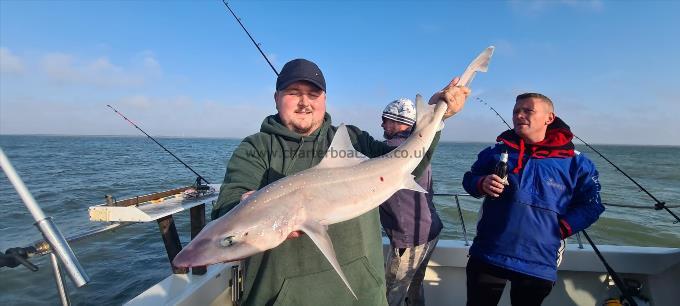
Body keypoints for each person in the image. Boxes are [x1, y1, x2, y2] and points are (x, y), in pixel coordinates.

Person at [211, 58, 470, 306]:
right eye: (293, 92)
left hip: (363, 295)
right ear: (276, 97)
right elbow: (228, 206)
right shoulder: (256, 148)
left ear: (324, 99)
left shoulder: (352, 139)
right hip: (282, 299)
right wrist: (249, 208)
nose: (304, 102)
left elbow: (408, 165)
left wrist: (436, 118)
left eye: (313, 94)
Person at [461, 92, 605, 306]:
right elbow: (469, 179)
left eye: (528, 110)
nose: (519, 115)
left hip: (538, 261)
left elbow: (592, 204)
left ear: (549, 118)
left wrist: (563, 227)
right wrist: (481, 183)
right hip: (489, 253)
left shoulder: (577, 163)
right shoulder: (496, 152)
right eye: (516, 111)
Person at [379, 98, 443, 306]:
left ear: (399, 122)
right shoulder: (420, 148)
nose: (382, 125)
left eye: (386, 120)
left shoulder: (390, 149)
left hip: (408, 237)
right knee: (415, 286)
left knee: (391, 294)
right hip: (431, 230)